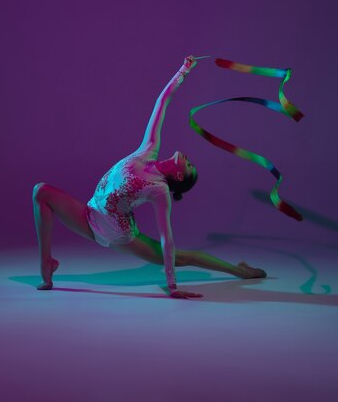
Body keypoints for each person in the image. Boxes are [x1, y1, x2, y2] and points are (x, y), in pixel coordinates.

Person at [32, 56, 266, 299]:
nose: (188, 158)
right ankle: (46, 263)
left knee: (184, 257)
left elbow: (167, 240)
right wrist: (184, 69)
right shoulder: (148, 149)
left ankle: (241, 273)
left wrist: (172, 286)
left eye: (190, 165)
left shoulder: (159, 190)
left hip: (119, 235)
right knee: (41, 191)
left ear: (178, 175)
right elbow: (161, 102)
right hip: (90, 215)